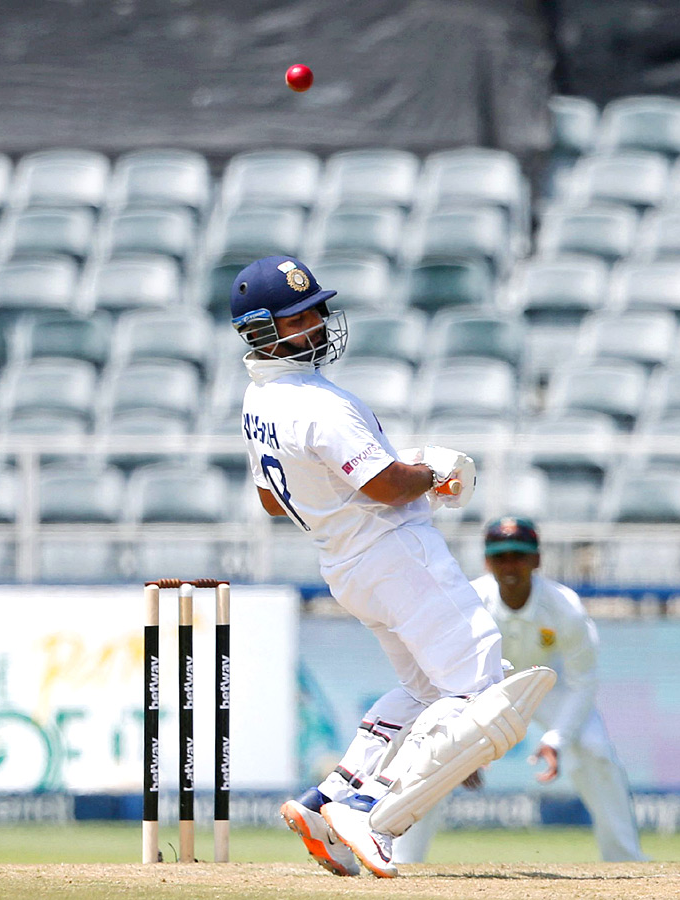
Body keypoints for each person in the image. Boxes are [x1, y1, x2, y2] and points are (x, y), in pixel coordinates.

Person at [231, 255, 552, 878]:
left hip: (346, 566)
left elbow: (273, 500)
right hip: (395, 553)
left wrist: (397, 470)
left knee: (428, 690)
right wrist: (436, 473)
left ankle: (324, 801)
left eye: (319, 310)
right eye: (302, 317)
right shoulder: (322, 404)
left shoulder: (256, 401)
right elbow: (384, 486)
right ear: (264, 329)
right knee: (483, 686)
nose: (320, 323)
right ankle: (368, 808)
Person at [392, 516, 646, 864]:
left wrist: (557, 739)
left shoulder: (565, 607)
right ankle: (403, 861)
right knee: (435, 754)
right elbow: (445, 672)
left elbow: (582, 682)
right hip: (483, 687)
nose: (510, 565)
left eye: (519, 555)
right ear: (487, 562)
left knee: (596, 750)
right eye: (500, 556)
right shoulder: (469, 601)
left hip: (548, 686)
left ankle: (625, 860)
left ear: (537, 560)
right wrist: (463, 744)